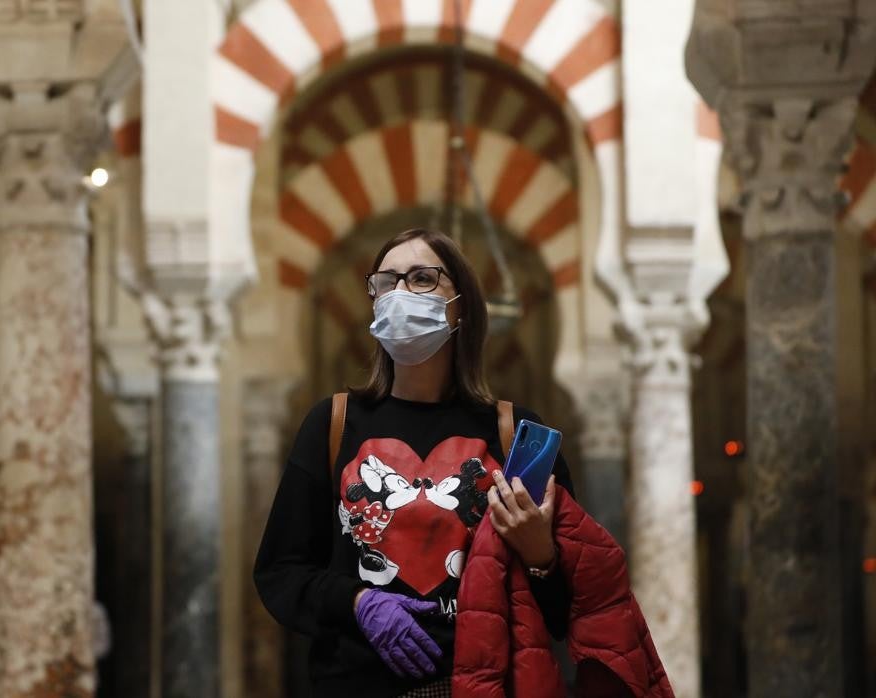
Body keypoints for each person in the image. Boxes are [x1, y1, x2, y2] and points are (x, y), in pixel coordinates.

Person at [254, 228, 668, 697]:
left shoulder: (513, 435)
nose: (401, 293)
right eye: (386, 283)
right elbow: (281, 572)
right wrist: (359, 601)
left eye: (422, 278)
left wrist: (541, 556)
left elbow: (563, 616)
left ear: (461, 307)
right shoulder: (333, 424)